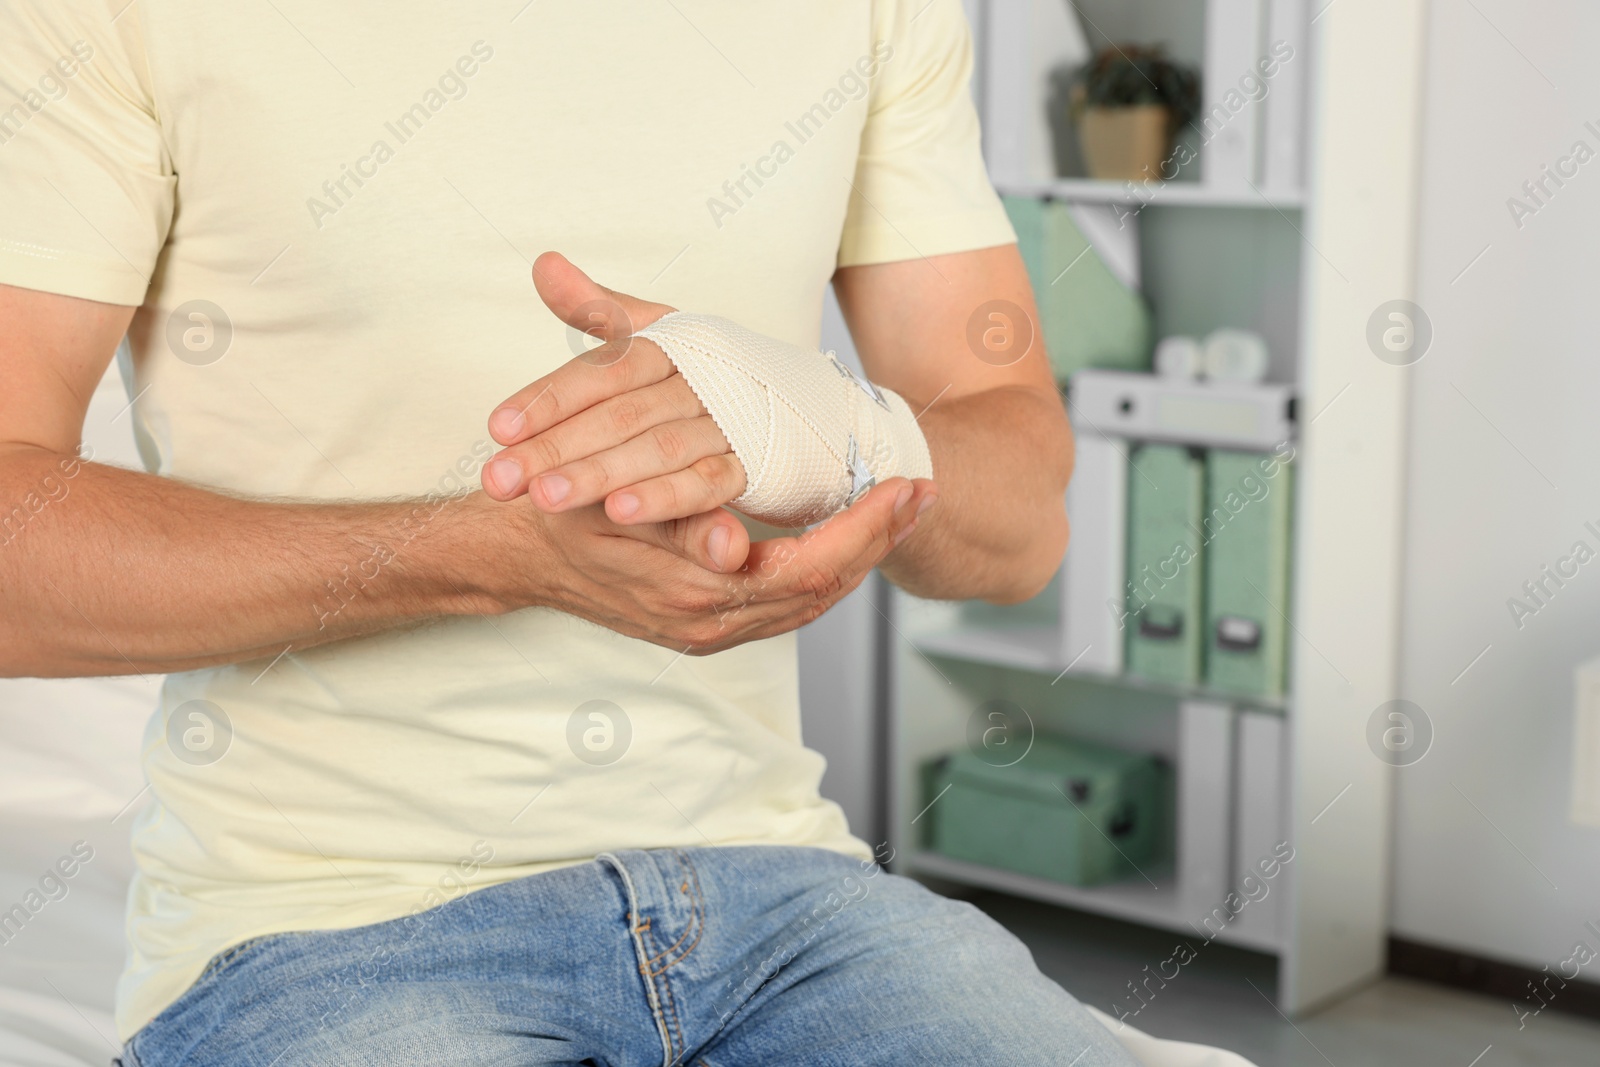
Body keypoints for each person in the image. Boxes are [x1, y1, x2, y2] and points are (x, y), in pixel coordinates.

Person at [0, 1, 1129, 1063]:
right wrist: (489, 554)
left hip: (781, 893)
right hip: (322, 923)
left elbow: (1022, 521)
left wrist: (828, 433)